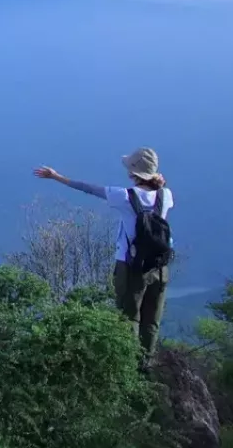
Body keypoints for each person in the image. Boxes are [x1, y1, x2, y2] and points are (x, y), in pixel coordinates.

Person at [33, 147, 173, 365]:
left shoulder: (125, 197)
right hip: (160, 268)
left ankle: (128, 365)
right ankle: (147, 364)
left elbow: (88, 189)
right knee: (151, 320)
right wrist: (160, 185)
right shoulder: (166, 196)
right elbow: (158, 191)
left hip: (131, 266)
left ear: (133, 173)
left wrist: (56, 176)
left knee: (129, 317)